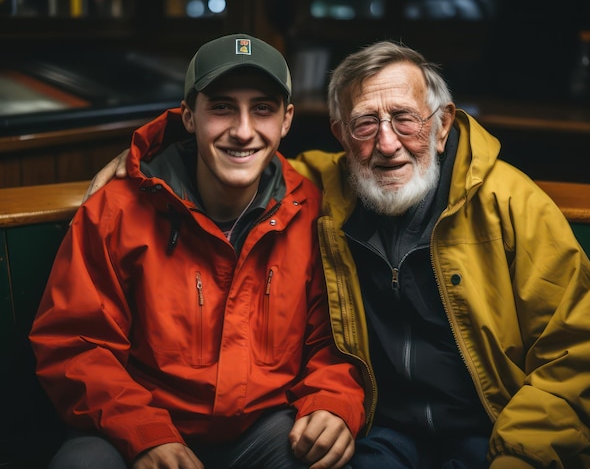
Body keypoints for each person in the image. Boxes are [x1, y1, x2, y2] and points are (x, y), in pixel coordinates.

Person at [84, 39, 590, 469]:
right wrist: (144, 158)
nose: (387, 144)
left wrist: (520, 455)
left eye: (405, 119)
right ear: (341, 135)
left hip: (499, 430)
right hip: (389, 434)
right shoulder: (327, 189)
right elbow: (244, 152)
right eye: (365, 123)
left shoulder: (511, 203)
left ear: (443, 123)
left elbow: (579, 348)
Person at [29, 34, 367, 469]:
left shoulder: (311, 210)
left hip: (262, 430)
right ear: (189, 116)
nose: (243, 131)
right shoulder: (118, 210)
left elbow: (335, 342)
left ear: (286, 121)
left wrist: (333, 402)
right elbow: (76, 345)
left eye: (262, 109)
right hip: (131, 425)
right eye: (222, 107)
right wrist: (145, 435)